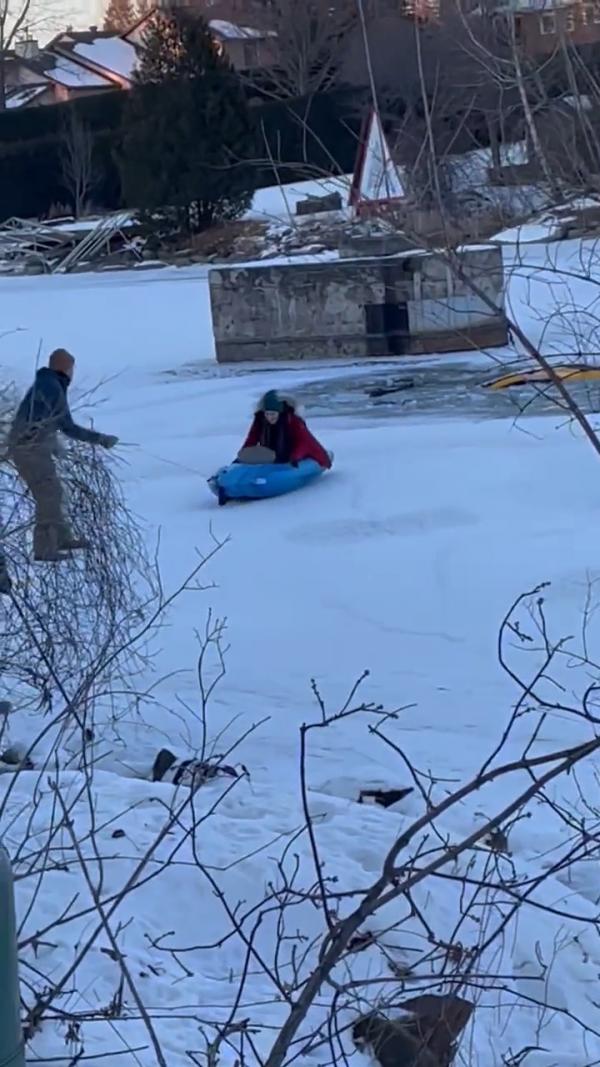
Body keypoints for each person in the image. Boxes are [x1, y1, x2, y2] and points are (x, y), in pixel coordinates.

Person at [8, 349, 118, 562]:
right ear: (64, 368)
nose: (72, 372)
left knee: (54, 490)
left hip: (32, 447)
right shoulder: (52, 387)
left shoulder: (48, 383)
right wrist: (101, 439)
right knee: (48, 493)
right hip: (29, 449)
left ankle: (62, 538)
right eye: (71, 368)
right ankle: (44, 548)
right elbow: (67, 426)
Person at [239, 390, 331, 469]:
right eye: (267, 414)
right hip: (270, 454)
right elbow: (252, 438)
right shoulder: (260, 419)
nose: (269, 418)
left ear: (280, 412)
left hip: (290, 452)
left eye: (273, 414)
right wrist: (242, 456)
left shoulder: (293, 420)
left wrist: (295, 457)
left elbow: (304, 442)